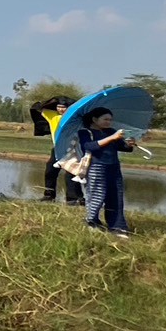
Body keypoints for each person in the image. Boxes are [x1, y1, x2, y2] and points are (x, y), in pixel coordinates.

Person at [79, 107, 136, 236]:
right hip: (96, 167)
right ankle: (92, 221)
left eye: (110, 120)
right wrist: (112, 138)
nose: (108, 122)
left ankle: (117, 226)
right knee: (96, 196)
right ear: (94, 119)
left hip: (114, 167)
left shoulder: (111, 131)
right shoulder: (85, 132)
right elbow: (89, 146)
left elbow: (123, 147)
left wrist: (129, 144)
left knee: (116, 196)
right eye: (105, 119)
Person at [30, 94, 85, 205]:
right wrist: (52, 101)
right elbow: (36, 107)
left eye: (63, 107)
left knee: (71, 174)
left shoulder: (76, 118)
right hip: (57, 148)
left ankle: (73, 199)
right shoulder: (51, 115)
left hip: (73, 149)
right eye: (58, 106)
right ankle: (49, 195)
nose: (60, 109)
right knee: (50, 171)